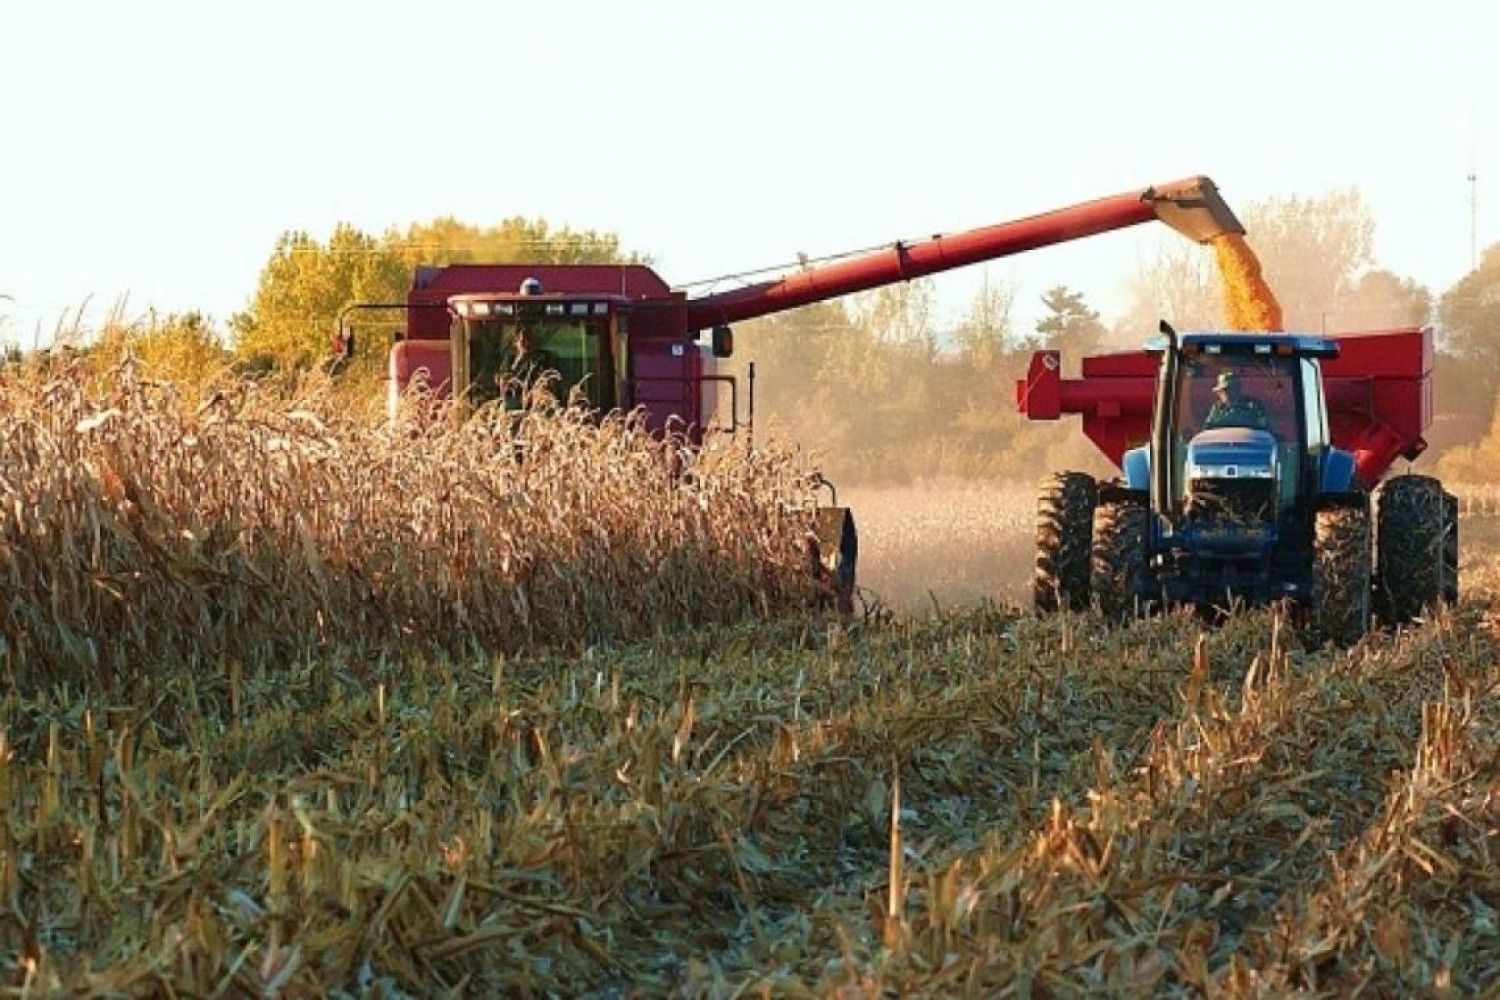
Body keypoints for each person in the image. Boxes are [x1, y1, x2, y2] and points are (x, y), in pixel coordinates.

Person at [1204, 370, 1271, 431]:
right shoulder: (1217, 408)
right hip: (1223, 442)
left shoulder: (1253, 406)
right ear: (1219, 393)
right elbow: (1208, 428)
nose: (1227, 394)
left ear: (1238, 389)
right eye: (1224, 391)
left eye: (1231, 389)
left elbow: (1266, 427)